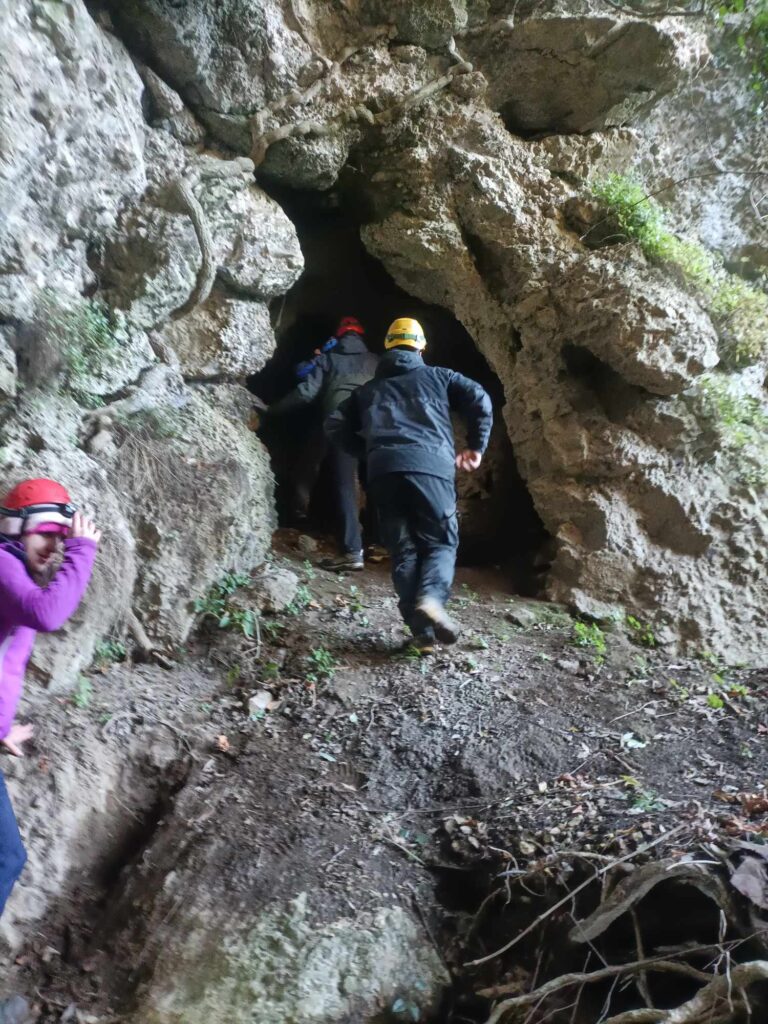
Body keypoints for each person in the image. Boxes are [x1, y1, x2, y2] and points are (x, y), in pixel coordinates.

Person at [326, 317, 492, 653]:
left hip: (384, 472)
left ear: (387, 347)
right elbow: (479, 398)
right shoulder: (439, 376)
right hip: (430, 468)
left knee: (404, 550)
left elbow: (334, 423)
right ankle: (431, 598)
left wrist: (367, 452)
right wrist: (475, 446)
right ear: (421, 346)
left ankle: (422, 635)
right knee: (441, 542)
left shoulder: (368, 391)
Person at [0, 479, 100, 1022]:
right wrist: (83, 551)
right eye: (49, 532)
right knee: (5, 857)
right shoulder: (0, 563)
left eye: (63, 537)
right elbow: (48, 614)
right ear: (15, 527)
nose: (56, 544)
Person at [262, 316, 379, 571]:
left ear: (337, 337)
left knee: (346, 486)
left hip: (341, 425)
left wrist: (271, 411)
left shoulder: (329, 359)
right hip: (376, 427)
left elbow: (306, 392)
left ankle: (352, 551)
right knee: (379, 483)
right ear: (361, 336)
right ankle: (382, 541)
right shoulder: (375, 360)